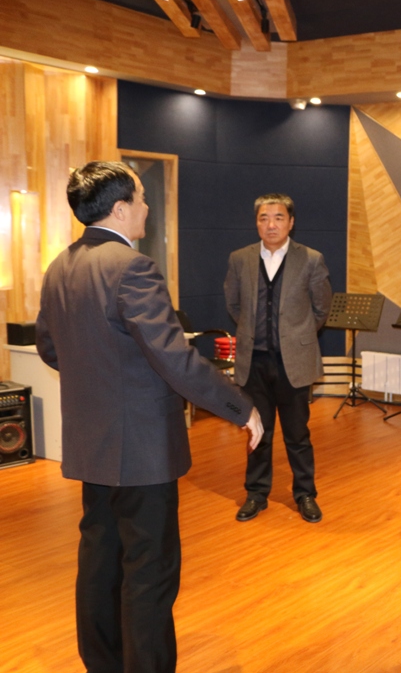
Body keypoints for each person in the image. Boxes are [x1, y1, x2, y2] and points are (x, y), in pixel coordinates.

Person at [35, 161, 262, 673]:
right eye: (140, 198)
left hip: (92, 442)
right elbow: (174, 359)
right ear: (120, 209)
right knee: (149, 573)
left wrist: (103, 380)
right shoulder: (133, 267)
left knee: (99, 561)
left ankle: (103, 663)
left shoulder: (60, 266)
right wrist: (240, 406)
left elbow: (51, 347)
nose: (147, 207)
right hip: (141, 450)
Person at [224, 193, 333, 523]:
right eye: (264, 218)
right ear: (256, 222)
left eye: (278, 217)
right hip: (253, 363)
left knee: (297, 435)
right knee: (258, 433)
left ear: (291, 222)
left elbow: (322, 308)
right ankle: (256, 494)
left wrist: (295, 337)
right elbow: (234, 305)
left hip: (293, 364)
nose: (271, 224)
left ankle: (305, 494)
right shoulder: (239, 258)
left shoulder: (311, 259)